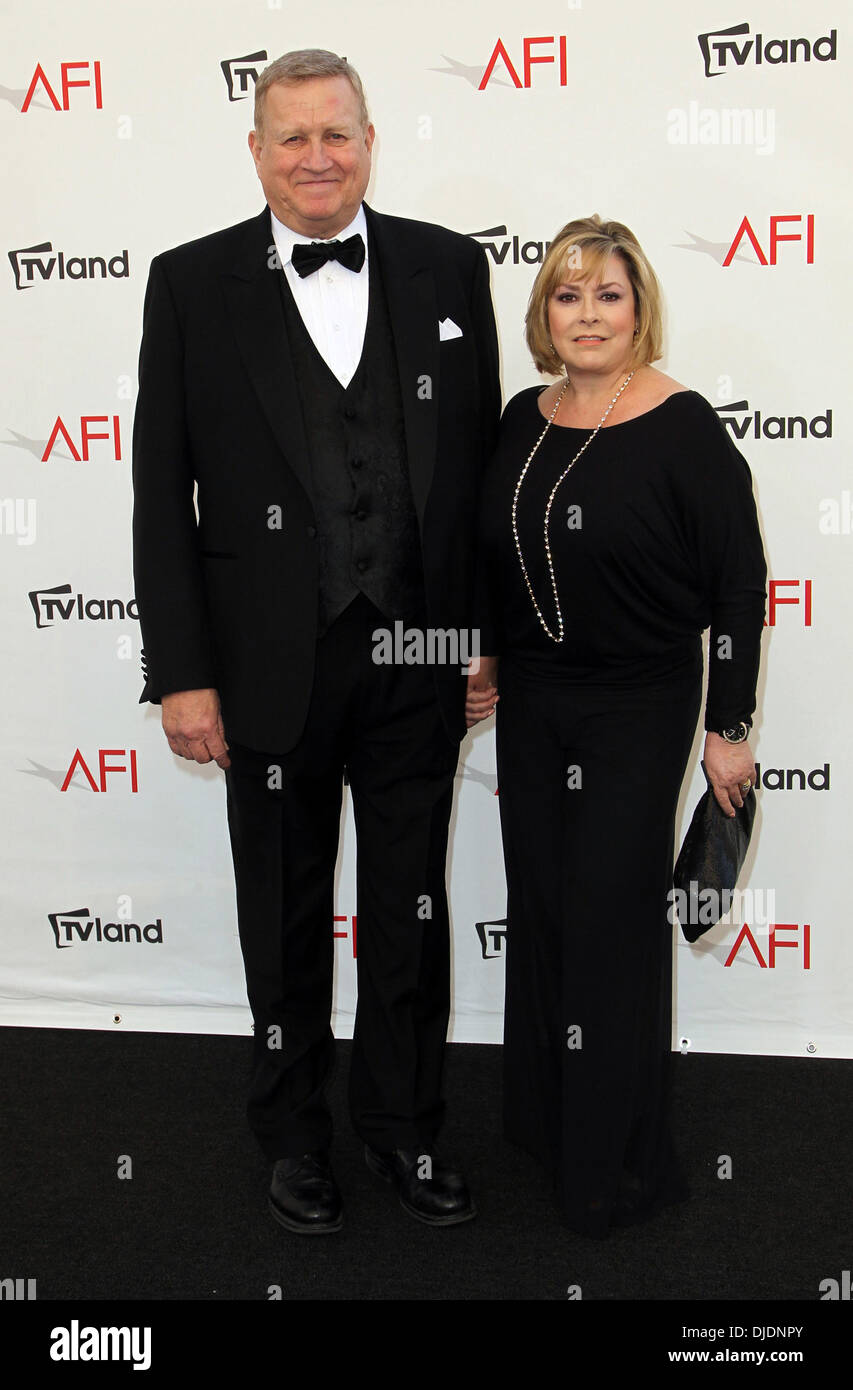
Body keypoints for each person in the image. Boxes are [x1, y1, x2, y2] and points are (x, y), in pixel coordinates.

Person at [132, 49, 501, 1234]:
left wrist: (475, 636)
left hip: (416, 650)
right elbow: (161, 495)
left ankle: (403, 1128)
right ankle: (293, 1135)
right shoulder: (190, 284)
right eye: (290, 137)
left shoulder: (450, 265)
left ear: (368, 138)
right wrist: (182, 672)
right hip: (265, 664)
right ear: (255, 151)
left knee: (409, 905)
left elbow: (477, 484)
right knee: (281, 912)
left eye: (334, 134)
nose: (315, 157)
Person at [466, 215, 766, 1237]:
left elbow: (739, 581)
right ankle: (549, 1123)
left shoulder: (682, 424)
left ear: (639, 311)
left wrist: (729, 723)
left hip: (641, 700)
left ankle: (620, 1162)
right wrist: (490, 661)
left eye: (607, 295)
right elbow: (502, 558)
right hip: (538, 699)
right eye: (567, 294)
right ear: (543, 311)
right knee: (543, 903)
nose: (587, 314)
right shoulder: (522, 414)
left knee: (609, 914)